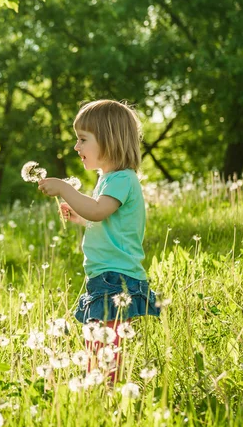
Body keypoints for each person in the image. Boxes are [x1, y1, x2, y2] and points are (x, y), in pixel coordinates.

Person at [38, 99, 160, 382]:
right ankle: (103, 388)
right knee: (99, 341)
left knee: (106, 344)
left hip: (114, 277)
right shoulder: (110, 180)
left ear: (108, 140)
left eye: (82, 139)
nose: (76, 147)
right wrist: (80, 218)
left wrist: (65, 189)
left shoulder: (121, 179)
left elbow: (97, 210)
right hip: (106, 275)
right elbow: (102, 219)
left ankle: (107, 390)